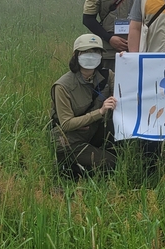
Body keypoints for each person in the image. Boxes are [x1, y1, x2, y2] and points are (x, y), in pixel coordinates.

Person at [50, 34, 117, 179]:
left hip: (94, 132)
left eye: (96, 52)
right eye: (86, 52)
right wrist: (100, 112)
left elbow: (126, 89)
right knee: (110, 163)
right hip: (70, 140)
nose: (91, 56)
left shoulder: (107, 76)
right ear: (76, 55)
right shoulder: (62, 86)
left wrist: (126, 62)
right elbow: (67, 124)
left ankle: (84, 160)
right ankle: (68, 167)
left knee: (122, 153)